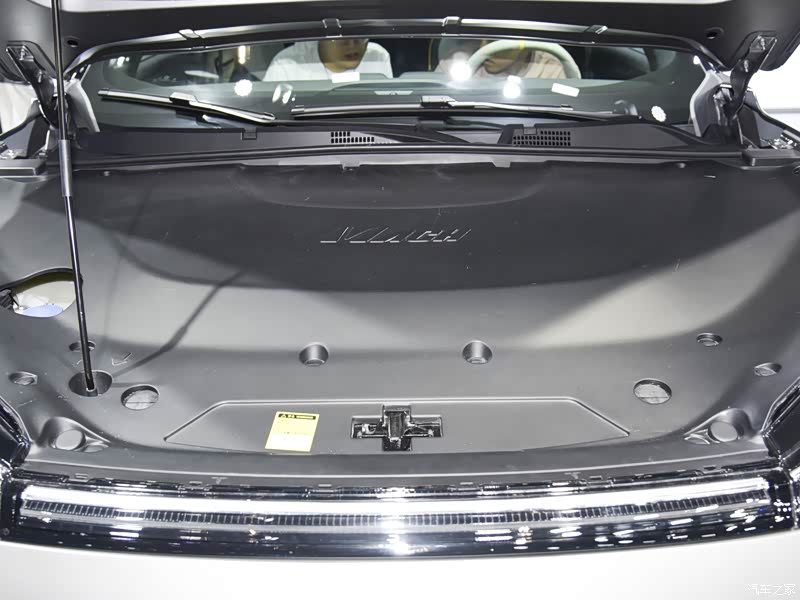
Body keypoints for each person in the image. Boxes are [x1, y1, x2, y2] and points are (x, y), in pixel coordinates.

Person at [264, 39, 393, 81]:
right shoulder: (287, 65)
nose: (352, 44)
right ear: (322, 40)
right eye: (343, 39)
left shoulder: (377, 56)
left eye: (360, 36)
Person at [437, 39, 567, 79]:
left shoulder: (551, 69)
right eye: (480, 39)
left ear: (524, 46)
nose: (483, 48)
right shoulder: (454, 62)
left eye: (493, 42)